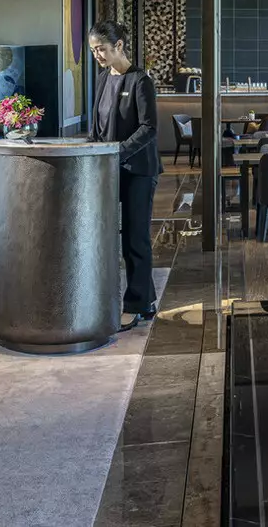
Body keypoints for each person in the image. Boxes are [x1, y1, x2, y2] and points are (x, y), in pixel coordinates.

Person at [88, 20, 161, 329]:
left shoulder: (140, 81)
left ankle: (136, 304)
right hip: (108, 167)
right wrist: (93, 152)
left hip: (138, 170)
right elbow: (98, 126)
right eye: (93, 51)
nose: (97, 57)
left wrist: (118, 152)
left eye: (101, 49)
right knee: (105, 235)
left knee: (135, 237)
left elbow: (149, 127)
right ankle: (145, 298)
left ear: (118, 46)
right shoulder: (104, 80)